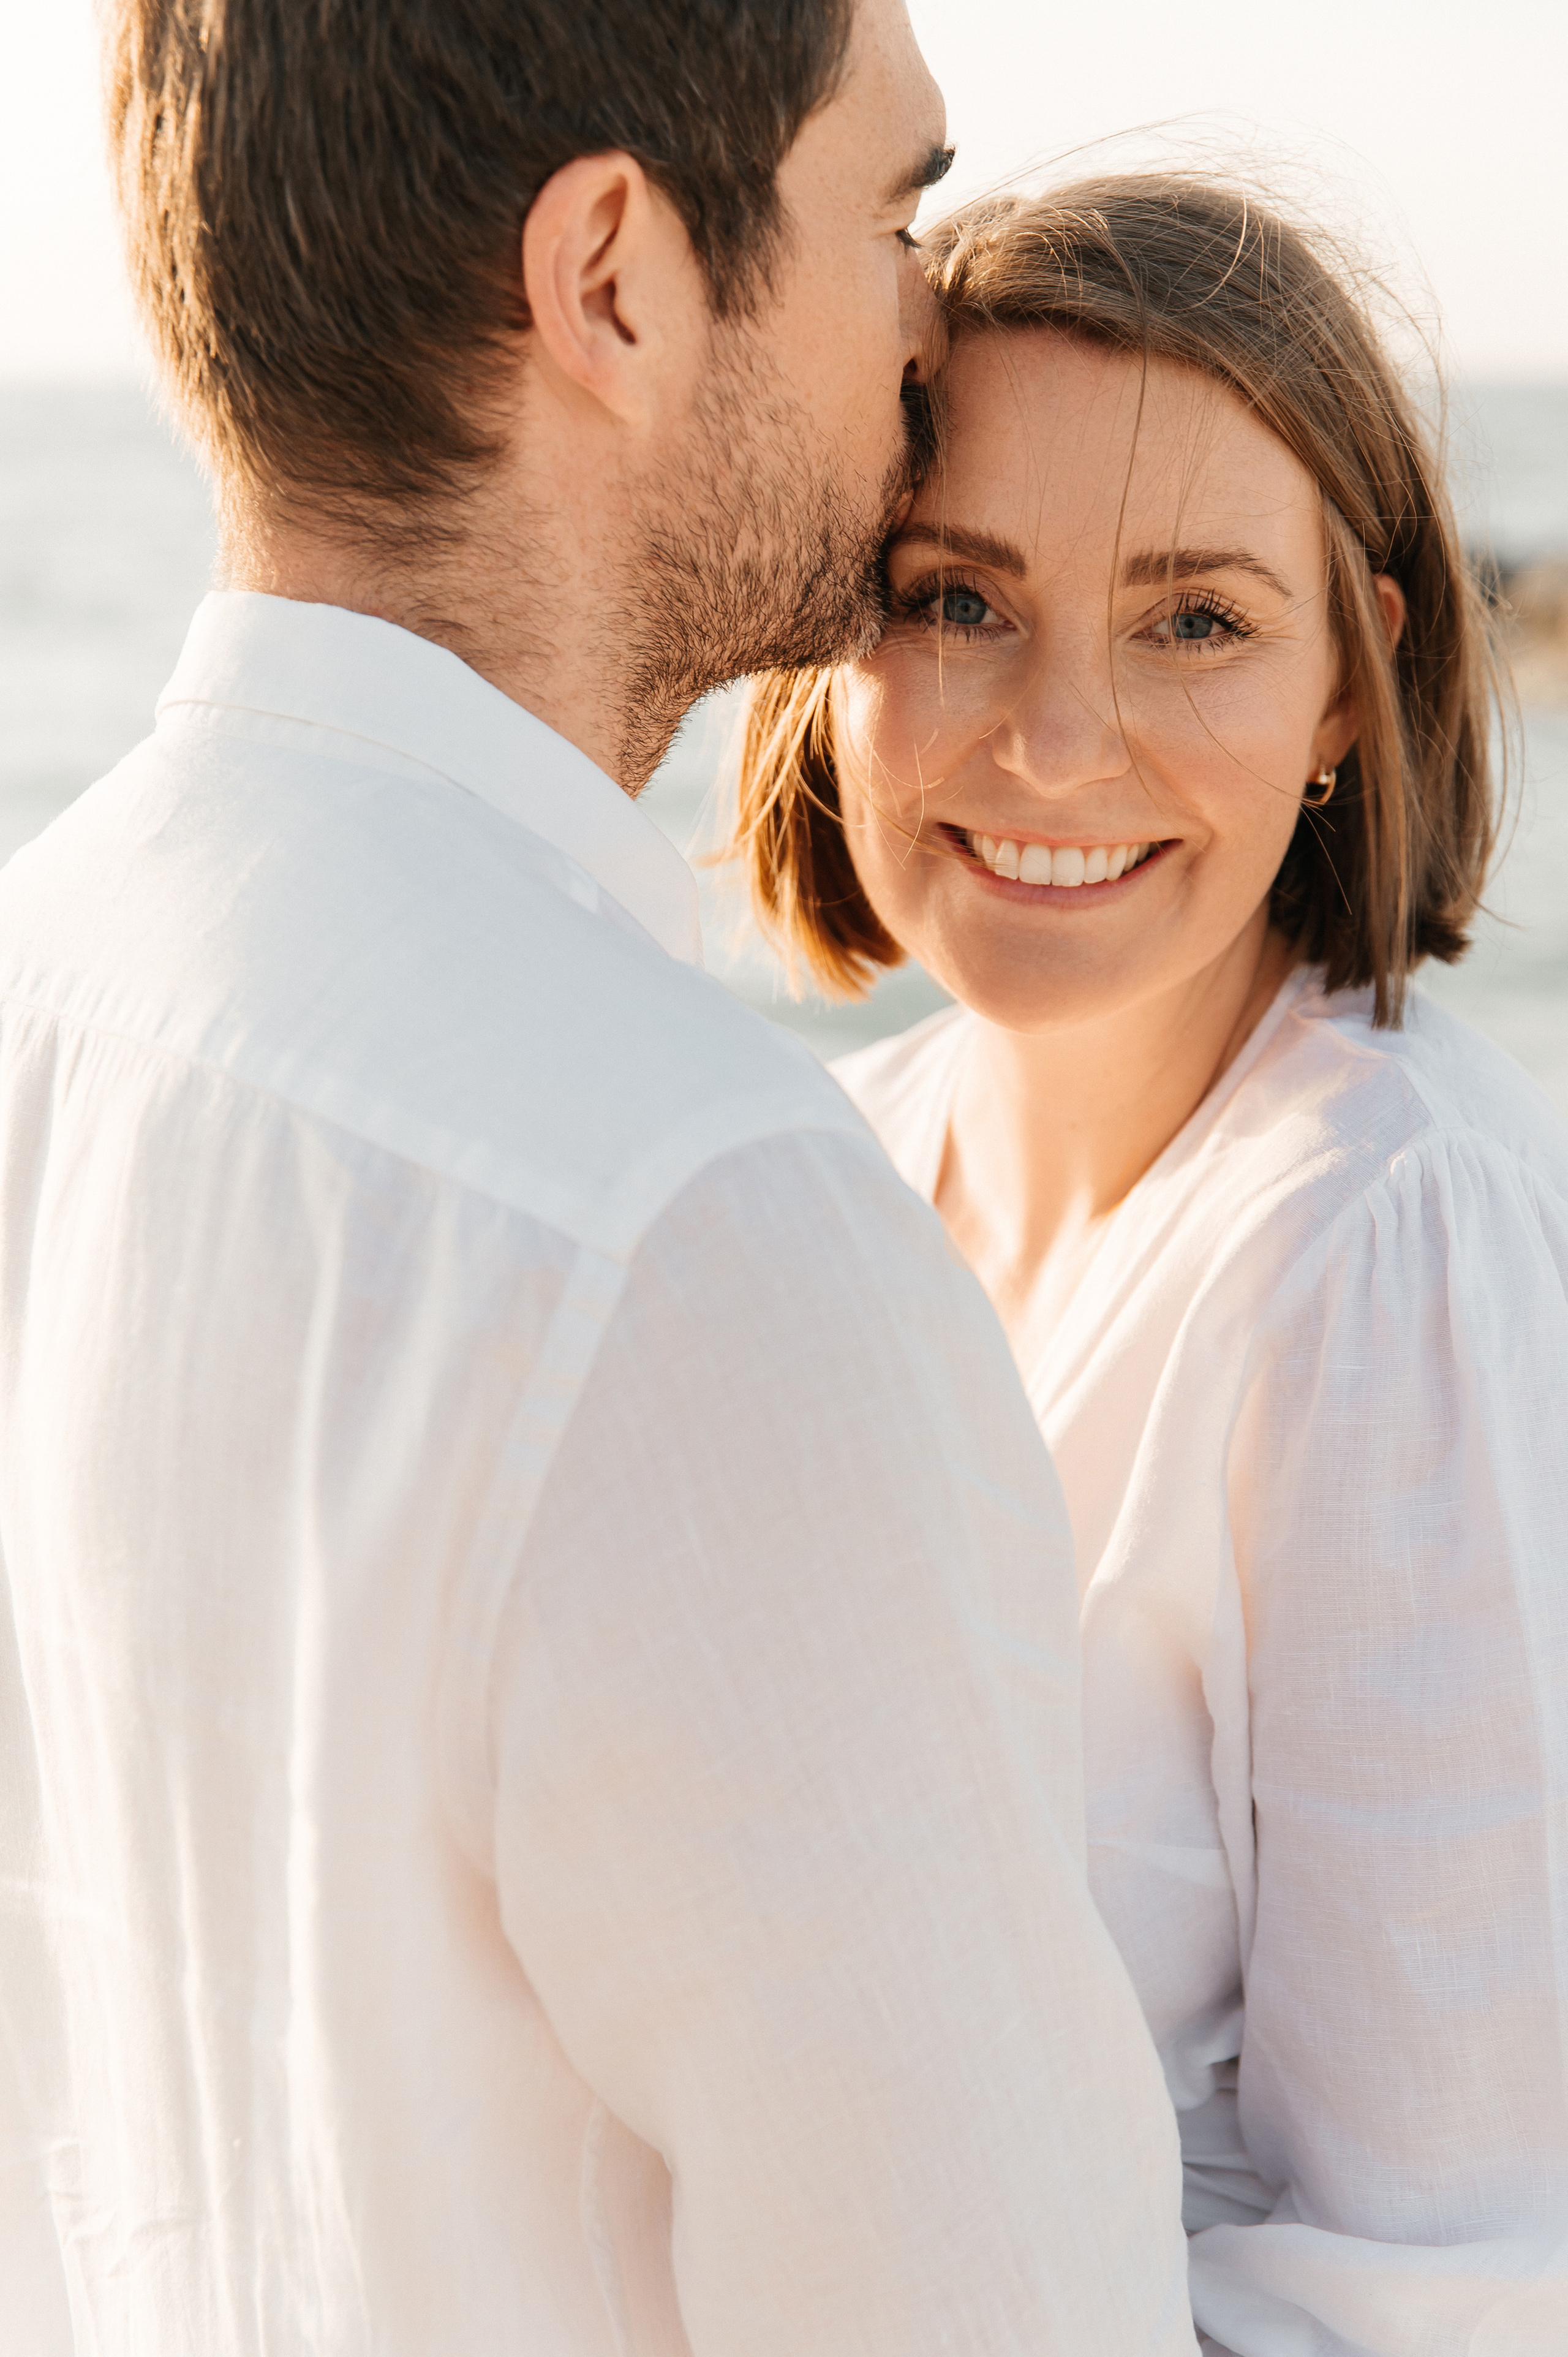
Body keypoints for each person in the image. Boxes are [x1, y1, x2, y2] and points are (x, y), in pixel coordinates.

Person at [0, 13, 1197, 2355]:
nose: (939, 331)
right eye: (895, 219)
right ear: (619, 280)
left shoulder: (42, 980)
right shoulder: (690, 1228)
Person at [734, 175, 1568, 2356]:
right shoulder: (808, 1176)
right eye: (953, 601)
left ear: (1346, 690)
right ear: (831, 643)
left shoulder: (1379, 1249)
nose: (1062, 739)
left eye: (1196, 619)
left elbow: (1445, 2272)